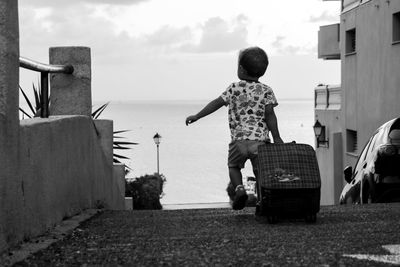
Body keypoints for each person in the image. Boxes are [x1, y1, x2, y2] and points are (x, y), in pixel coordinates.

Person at [185, 46, 283, 210]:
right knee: (261, 172)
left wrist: (197, 116)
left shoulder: (233, 88)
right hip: (260, 142)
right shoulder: (266, 90)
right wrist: (277, 137)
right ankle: (262, 201)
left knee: (234, 167)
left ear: (241, 69)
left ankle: (239, 189)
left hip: (238, 141)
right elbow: (270, 115)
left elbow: (216, 103)